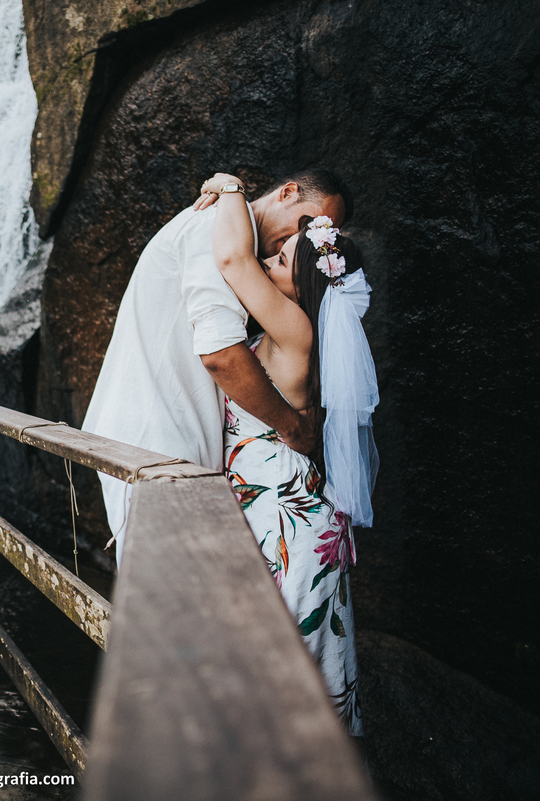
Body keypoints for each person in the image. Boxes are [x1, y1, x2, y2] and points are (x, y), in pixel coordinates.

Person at [81, 170, 352, 557]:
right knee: (164, 583)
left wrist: (230, 187)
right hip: (158, 444)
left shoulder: (248, 256)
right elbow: (221, 353)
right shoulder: (214, 226)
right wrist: (294, 427)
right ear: (288, 193)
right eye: (308, 223)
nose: (308, 238)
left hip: (178, 450)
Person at [195, 171, 379, 737]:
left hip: (288, 515)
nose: (267, 260)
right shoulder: (298, 333)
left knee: (294, 656)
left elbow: (233, 260)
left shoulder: (296, 330)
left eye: (280, 261)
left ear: (303, 285)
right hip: (279, 504)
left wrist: (230, 188)